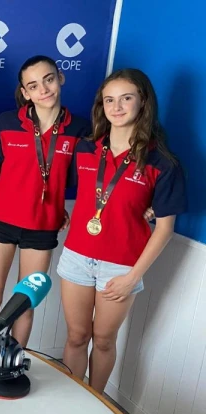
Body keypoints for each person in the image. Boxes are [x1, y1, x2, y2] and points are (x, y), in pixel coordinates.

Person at [58, 69, 186, 393]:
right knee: (76, 336)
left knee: (103, 340)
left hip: (121, 266)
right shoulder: (86, 148)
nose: (116, 107)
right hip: (76, 257)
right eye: (109, 100)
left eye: (126, 98)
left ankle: (96, 402)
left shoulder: (161, 162)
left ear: (142, 102)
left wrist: (132, 278)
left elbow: (165, 229)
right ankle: (70, 402)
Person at [0, 55, 91, 347]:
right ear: (25, 93)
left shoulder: (80, 130)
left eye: (49, 79)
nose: (43, 89)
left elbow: (90, 179)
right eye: (34, 85)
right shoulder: (7, 122)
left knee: (24, 305)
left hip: (42, 227)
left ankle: (12, 362)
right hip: (2, 221)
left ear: (60, 78)